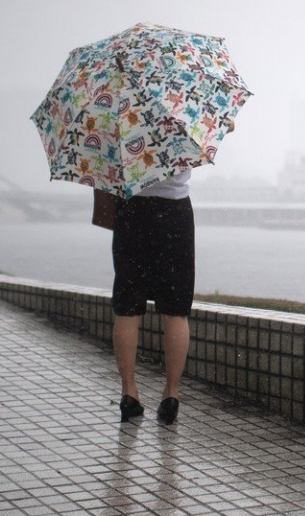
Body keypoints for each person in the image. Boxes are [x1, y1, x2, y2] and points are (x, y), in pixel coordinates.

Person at [111, 168, 195, 425]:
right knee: (176, 310)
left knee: (127, 307)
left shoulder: (123, 138)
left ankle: (129, 393)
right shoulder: (185, 138)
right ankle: (171, 395)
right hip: (175, 211)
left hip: (131, 209)